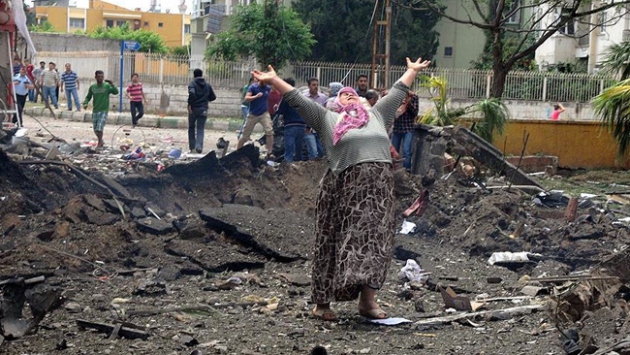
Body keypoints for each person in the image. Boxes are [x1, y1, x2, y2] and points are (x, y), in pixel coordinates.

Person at [250, 56, 431, 321]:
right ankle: (322, 304)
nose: (351, 97)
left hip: (378, 191)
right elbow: (298, 101)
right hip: (343, 189)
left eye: (355, 96)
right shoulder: (328, 120)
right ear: (337, 104)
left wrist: (411, 71)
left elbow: (396, 91)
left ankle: (367, 303)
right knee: (331, 241)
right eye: (345, 96)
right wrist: (274, 80)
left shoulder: (378, 115)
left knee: (376, 245)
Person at [237, 77, 274, 159]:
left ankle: (270, 152)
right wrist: (256, 96)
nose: (265, 83)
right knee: (245, 135)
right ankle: (238, 151)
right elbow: (246, 98)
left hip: (264, 113)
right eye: (264, 81)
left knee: (269, 131)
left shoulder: (268, 88)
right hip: (253, 114)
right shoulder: (253, 87)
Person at [82, 70, 119, 148]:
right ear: (95, 77)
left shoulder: (107, 86)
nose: (100, 78)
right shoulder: (92, 87)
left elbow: (116, 92)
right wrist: (85, 103)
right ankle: (101, 140)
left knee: (99, 127)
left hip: (104, 110)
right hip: (95, 110)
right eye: (98, 77)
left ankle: (99, 142)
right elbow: (88, 97)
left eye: (102, 77)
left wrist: (112, 84)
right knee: (95, 129)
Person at [276, 78, 306, 163]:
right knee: (298, 150)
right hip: (302, 125)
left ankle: (287, 170)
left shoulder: (286, 96)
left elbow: (281, 111)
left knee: (289, 150)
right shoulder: (301, 96)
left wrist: (276, 109)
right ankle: (299, 169)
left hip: (290, 125)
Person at [187, 68, 217, 153]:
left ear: (194, 75)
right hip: (203, 109)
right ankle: (199, 146)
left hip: (194, 109)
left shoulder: (192, 84)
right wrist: (205, 99)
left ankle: (192, 147)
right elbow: (213, 97)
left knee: (191, 127)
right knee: (200, 128)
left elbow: (192, 93)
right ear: (201, 75)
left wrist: (190, 104)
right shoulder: (207, 85)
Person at [392, 90, 419, 170]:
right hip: (397, 128)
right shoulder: (396, 97)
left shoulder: (414, 97)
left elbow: (415, 113)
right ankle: (393, 170)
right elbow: (393, 112)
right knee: (394, 151)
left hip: (408, 128)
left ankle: (406, 171)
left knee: (406, 151)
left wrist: (408, 103)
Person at [304, 77, 328, 160]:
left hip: (320, 129)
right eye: (313, 85)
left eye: (317, 85)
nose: (316, 87)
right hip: (308, 129)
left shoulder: (323, 98)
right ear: (309, 86)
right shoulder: (304, 98)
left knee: (322, 152)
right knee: (313, 152)